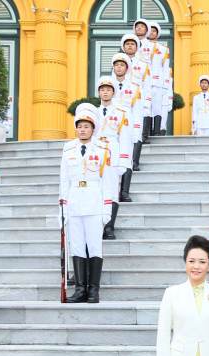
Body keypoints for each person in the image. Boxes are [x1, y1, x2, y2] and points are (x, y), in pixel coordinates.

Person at [59, 105, 115, 303]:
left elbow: (108, 182)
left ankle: (93, 291)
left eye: (86, 126)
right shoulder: (68, 149)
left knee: (94, 246)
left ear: (93, 129)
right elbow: (64, 180)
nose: (82, 130)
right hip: (74, 203)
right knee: (77, 247)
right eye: (79, 126)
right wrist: (62, 209)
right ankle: (80, 290)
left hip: (94, 204)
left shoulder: (102, 150)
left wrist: (107, 209)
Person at [95, 76, 132, 240]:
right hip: (95, 155)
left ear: (113, 92)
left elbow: (125, 137)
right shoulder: (92, 113)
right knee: (96, 191)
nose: (105, 92)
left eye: (108, 90)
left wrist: (123, 160)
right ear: (98, 92)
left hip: (112, 153)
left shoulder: (121, 113)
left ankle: (109, 226)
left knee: (111, 191)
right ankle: (98, 225)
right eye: (102, 89)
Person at [111, 52, 141, 195]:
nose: (119, 67)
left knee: (126, 157)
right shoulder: (107, 85)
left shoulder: (134, 87)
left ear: (127, 68)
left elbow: (137, 110)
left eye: (122, 65)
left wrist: (136, 131)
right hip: (111, 126)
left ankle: (124, 192)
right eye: (116, 65)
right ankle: (112, 192)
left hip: (128, 125)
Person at [121, 32, 152, 156]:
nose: (130, 46)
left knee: (137, 130)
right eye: (127, 44)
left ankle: (135, 160)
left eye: (132, 44)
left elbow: (147, 85)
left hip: (138, 100)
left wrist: (147, 102)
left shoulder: (143, 65)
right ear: (123, 47)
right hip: (123, 100)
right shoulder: (118, 63)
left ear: (137, 47)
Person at [148, 21, 171, 136]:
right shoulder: (141, 46)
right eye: (150, 30)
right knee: (146, 107)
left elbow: (166, 68)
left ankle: (156, 130)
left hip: (158, 82)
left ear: (157, 34)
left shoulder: (164, 49)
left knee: (157, 107)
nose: (152, 33)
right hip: (145, 81)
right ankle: (147, 130)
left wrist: (165, 84)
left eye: (154, 31)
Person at [133, 18, 154, 141]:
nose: (139, 28)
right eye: (137, 26)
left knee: (146, 107)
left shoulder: (152, 46)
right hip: (133, 78)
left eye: (142, 26)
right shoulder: (130, 43)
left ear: (147, 30)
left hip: (147, 78)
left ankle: (144, 135)